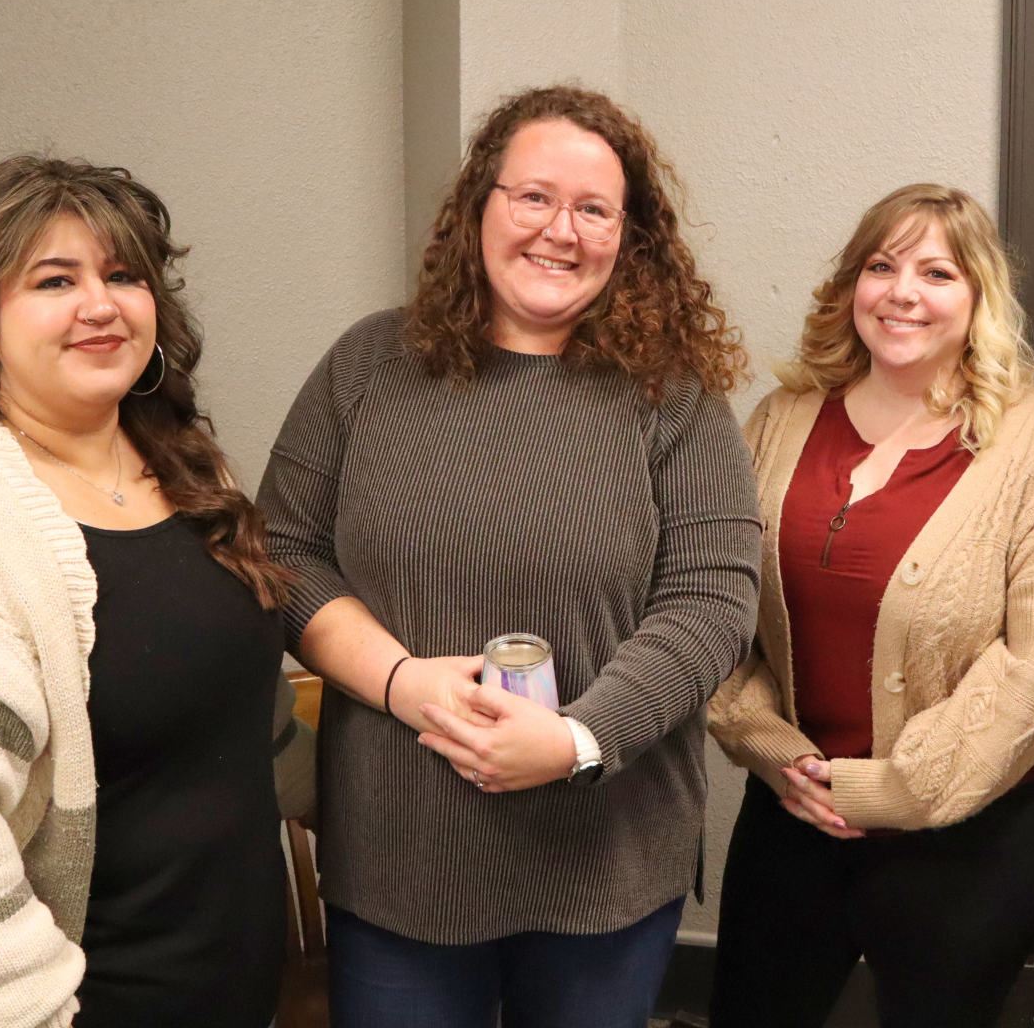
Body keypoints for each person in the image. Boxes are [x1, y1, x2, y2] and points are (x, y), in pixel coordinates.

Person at [256, 85, 762, 1028]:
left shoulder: (673, 397)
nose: (559, 230)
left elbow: (711, 603)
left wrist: (576, 740)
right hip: (403, 857)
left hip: (604, 855)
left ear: (630, 236)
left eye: (593, 209)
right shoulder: (367, 367)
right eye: (533, 197)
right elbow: (282, 551)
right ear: (479, 206)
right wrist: (401, 679)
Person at [0, 156, 312, 1028]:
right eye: (56, 279)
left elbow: (238, 719)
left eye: (123, 275)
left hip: (231, 993)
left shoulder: (192, 473)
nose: (101, 303)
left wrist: (392, 803)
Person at [707, 183, 1034, 1028]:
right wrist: (769, 749)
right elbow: (711, 607)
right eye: (882, 266)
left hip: (974, 832)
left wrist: (890, 791)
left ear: (979, 300)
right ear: (851, 283)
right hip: (794, 804)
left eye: (938, 273)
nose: (903, 292)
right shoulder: (779, 420)